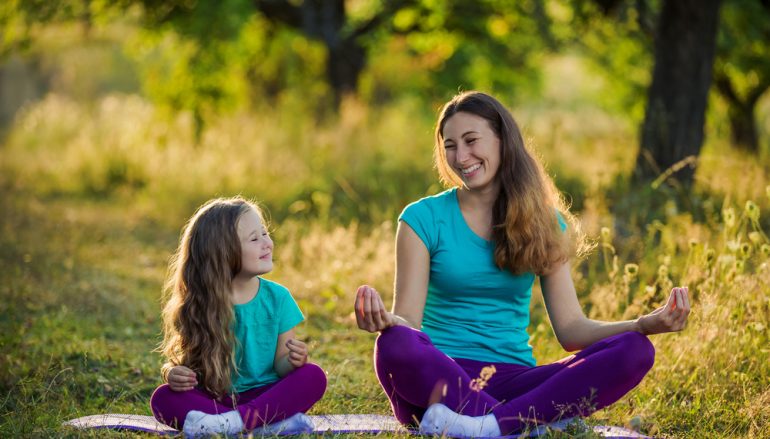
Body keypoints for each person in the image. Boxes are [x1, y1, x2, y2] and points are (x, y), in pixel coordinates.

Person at [354, 91, 690, 437]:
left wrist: (643, 324)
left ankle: (487, 426)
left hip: (515, 381)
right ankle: (516, 424)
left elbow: (572, 330)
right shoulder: (422, 218)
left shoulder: (544, 222)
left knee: (635, 349)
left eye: (471, 141)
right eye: (450, 145)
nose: (461, 156)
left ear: (503, 140)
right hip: (439, 376)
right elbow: (408, 320)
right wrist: (387, 321)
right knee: (395, 343)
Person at [150, 197, 327, 437]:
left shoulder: (278, 298)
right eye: (255, 239)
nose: (267, 243)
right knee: (163, 397)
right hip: (217, 398)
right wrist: (171, 373)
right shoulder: (199, 303)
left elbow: (282, 365)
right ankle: (263, 426)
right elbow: (186, 365)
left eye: (265, 233)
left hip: (265, 394)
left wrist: (294, 361)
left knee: (312, 376)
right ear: (222, 253)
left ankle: (229, 425)